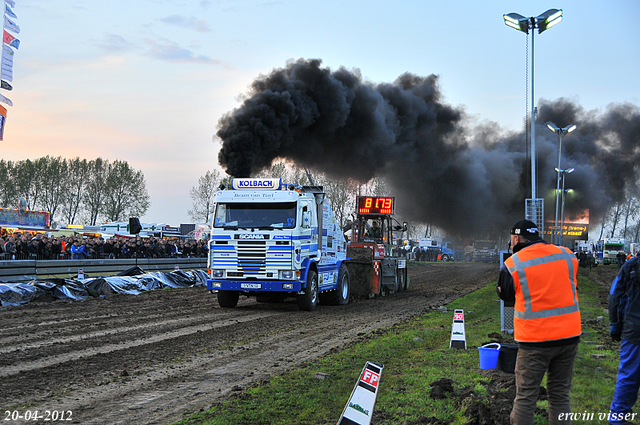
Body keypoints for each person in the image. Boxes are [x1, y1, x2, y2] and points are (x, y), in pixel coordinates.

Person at [496, 219, 581, 425]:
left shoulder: (513, 264)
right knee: (560, 395)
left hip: (535, 341)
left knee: (526, 396)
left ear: (516, 238)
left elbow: (506, 295)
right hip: (568, 337)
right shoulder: (567, 255)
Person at [608, 253, 640, 425]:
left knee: (628, 377)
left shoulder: (631, 266)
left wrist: (615, 327)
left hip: (635, 332)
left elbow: (616, 297)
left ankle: (618, 420)